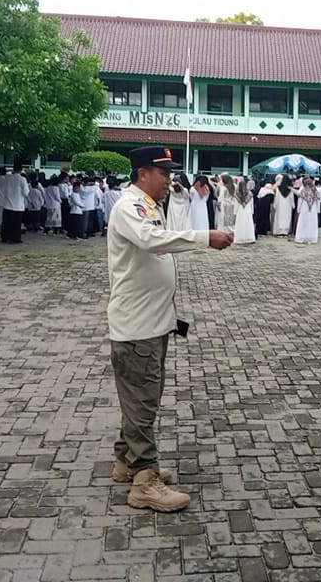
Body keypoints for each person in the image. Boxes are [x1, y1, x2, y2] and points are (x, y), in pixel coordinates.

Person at [106, 146, 232, 512]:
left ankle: (126, 461)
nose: (169, 180)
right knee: (143, 400)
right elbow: (152, 241)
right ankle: (144, 480)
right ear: (143, 173)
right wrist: (204, 237)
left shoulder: (147, 206)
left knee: (141, 398)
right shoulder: (129, 207)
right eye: (163, 173)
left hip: (151, 322)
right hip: (136, 326)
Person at [1, 164, 28, 243]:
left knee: (6, 223)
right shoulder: (22, 179)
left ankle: (5, 237)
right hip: (18, 204)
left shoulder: (7, 178)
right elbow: (26, 192)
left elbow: (3, 190)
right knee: (16, 223)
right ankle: (15, 238)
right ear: (21, 170)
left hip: (7, 204)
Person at [294, 177, 321, 244]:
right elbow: (318, 201)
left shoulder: (302, 190)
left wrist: (298, 210)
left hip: (304, 208)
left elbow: (300, 201)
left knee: (303, 222)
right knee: (312, 223)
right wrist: (318, 210)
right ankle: (312, 238)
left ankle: (301, 238)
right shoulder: (315, 191)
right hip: (313, 209)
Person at [232, 177, 255, 244]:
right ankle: (249, 238)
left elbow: (236, 205)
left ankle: (240, 238)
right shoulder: (250, 194)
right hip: (248, 211)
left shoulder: (237, 194)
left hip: (240, 211)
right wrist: (252, 212)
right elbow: (251, 204)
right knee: (248, 224)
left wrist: (235, 212)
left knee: (240, 224)